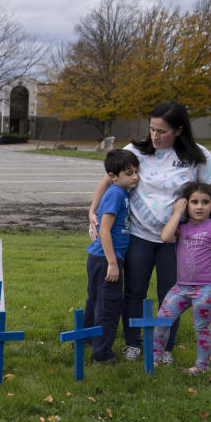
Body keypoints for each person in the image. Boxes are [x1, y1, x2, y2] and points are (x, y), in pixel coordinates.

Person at [88, 101, 211, 363]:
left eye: (162, 131)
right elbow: (108, 179)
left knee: (172, 294)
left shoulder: (197, 156)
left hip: (177, 241)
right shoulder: (136, 151)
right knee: (134, 292)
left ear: (179, 130)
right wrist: (92, 211)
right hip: (139, 237)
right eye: (152, 129)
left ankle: (165, 346)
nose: (154, 136)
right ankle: (133, 343)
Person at [153, 182, 211, 374]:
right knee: (161, 319)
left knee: (201, 327)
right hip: (182, 287)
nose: (200, 206)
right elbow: (166, 237)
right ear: (187, 205)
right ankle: (156, 358)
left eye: (205, 202)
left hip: (208, 288)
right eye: (194, 202)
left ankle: (201, 367)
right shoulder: (182, 227)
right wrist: (177, 213)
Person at [84, 149, 140, 364]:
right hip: (106, 259)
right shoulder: (116, 194)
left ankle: (87, 339)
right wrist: (113, 263)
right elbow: (105, 229)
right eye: (128, 173)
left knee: (97, 301)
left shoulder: (122, 192)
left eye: (136, 171)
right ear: (113, 176)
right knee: (109, 306)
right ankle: (103, 354)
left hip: (101, 258)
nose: (134, 176)